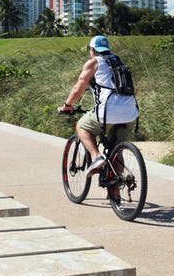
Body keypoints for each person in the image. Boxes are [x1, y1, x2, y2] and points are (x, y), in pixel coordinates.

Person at [58, 35, 139, 173]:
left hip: (108, 111)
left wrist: (67, 105)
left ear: (93, 50)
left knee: (82, 127)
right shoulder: (118, 61)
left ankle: (96, 157)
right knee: (116, 151)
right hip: (131, 112)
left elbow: (79, 88)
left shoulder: (94, 62)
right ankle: (115, 192)